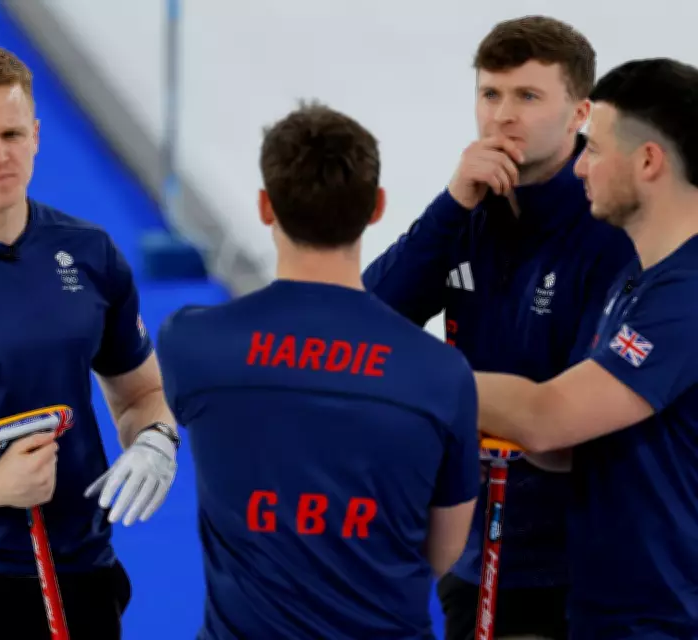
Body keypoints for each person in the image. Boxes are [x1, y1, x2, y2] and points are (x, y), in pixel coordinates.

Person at [156, 102, 480, 639]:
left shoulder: (192, 342)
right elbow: (444, 550)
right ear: (376, 207)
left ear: (266, 207)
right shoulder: (441, 374)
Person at [362, 16, 636, 640]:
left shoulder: (612, 231)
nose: (502, 116)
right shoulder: (469, 209)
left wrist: (427, 394)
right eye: (490, 94)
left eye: (528, 96)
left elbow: (573, 428)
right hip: (474, 553)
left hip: (580, 569)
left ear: (580, 113)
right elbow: (366, 325)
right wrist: (451, 203)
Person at [0, 45, 179, 640]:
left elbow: (141, 393)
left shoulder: (89, 252)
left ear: (37, 135)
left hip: (82, 571)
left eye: (12, 133)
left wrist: (157, 439)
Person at [475, 57, 698, 639]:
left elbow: (549, 417)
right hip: (610, 612)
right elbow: (569, 444)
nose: (579, 167)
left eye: (593, 148)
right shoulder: (636, 280)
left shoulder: (687, 294)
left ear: (648, 161)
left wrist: (402, 374)